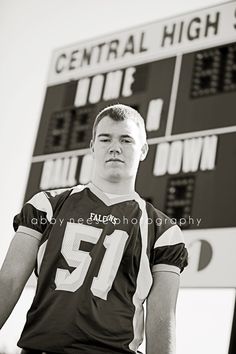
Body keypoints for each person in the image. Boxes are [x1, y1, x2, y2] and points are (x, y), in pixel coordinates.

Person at [0, 104, 188, 354]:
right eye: (105, 138)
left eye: (126, 140)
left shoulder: (164, 231)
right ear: (92, 146)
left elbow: (163, 318)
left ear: (142, 150)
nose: (114, 147)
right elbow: (10, 281)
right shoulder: (47, 205)